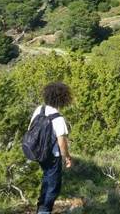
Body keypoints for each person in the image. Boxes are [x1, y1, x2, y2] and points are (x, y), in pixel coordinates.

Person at [30, 82, 73, 214]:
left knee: (47, 180)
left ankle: (41, 207)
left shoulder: (39, 109)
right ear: (62, 99)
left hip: (38, 153)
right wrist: (67, 158)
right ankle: (44, 210)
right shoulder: (58, 118)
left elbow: (30, 129)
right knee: (53, 186)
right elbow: (62, 143)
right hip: (53, 156)